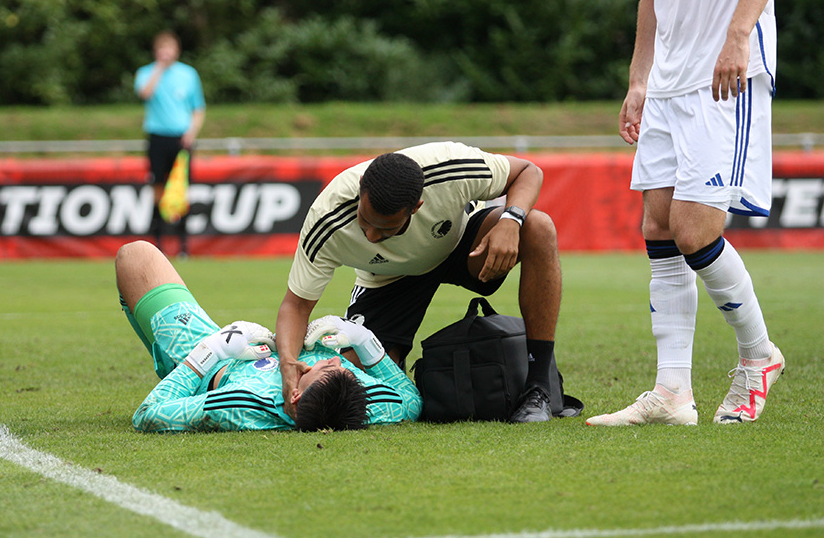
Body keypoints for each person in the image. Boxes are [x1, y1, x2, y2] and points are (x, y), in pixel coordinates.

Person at [586, 0, 786, 427]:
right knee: (657, 226)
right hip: (668, 82)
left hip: (724, 75)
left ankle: (758, 356)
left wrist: (739, 36)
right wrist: (639, 79)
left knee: (694, 230)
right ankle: (672, 391)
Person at [275, 141, 565, 423]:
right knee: (353, 379)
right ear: (362, 186)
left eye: (386, 228)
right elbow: (296, 305)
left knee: (537, 227)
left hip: (463, 246)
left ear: (416, 207)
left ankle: (539, 388)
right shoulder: (326, 218)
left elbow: (528, 171)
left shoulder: (450, 165)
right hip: (388, 278)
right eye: (365, 221)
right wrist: (288, 364)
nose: (372, 237)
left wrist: (511, 220)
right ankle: (394, 358)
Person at [115, 240, 422, 432]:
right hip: (243, 345)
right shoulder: (371, 403)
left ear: (296, 397)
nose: (334, 361)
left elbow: (149, 414)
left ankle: (169, 359)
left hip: (212, 362)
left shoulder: (240, 405)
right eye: (344, 367)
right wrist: (363, 340)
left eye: (326, 368)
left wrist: (211, 349)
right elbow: (411, 401)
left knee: (136, 256)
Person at [134, 31, 206, 255]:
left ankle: (183, 246)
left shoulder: (188, 74)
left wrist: (192, 132)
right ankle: (157, 244)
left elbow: (198, 108)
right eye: (161, 49)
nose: (166, 53)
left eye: (170, 48)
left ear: (177, 50)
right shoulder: (146, 73)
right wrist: (158, 70)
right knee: (157, 188)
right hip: (157, 136)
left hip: (181, 138)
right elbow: (144, 94)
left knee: (180, 189)